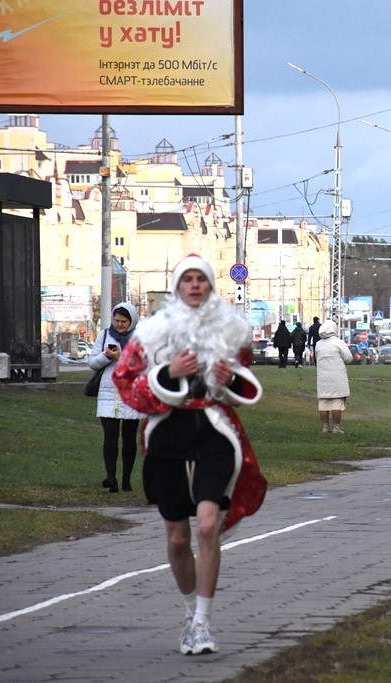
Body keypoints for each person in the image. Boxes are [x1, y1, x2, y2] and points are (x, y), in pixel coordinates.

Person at [114, 254, 267, 656]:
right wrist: (169, 374)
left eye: (202, 279)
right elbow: (125, 381)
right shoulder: (151, 333)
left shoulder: (233, 329)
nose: (195, 286)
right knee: (179, 537)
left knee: (205, 526)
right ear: (178, 287)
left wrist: (228, 378)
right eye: (188, 280)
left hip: (213, 431)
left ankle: (202, 622)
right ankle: (188, 613)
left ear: (211, 285)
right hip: (168, 434)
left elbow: (243, 377)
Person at [89, 302, 144, 493]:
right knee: (110, 436)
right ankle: (110, 478)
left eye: (124, 321)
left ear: (132, 321)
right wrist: (106, 355)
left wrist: (121, 357)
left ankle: (126, 480)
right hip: (108, 393)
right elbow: (92, 363)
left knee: (129, 439)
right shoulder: (105, 335)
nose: (119, 324)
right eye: (117, 320)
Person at [314, 320, 353, 433]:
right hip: (337, 377)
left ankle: (325, 427)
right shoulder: (338, 342)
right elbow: (348, 358)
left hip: (322, 378)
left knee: (323, 403)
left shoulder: (318, 344)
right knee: (337, 402)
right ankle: (336, 427)